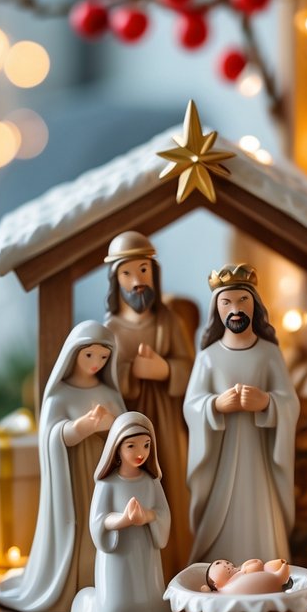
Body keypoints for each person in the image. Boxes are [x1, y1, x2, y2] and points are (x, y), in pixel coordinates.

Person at [0, 321, 124, 612]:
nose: (96, 363)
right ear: (74, 354)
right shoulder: (60, 395)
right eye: (88, 355)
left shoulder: (108, 392)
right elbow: (51, 435)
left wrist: (110, 426)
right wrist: (80, 427)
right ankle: (69, 585)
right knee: (77, 526)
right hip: (72, 477)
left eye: (103, 357)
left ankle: (98, 584)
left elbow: (125, 430)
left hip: (102, 474)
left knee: (100, 524)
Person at [184, 264, 299, 565]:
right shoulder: (208, 357)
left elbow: (290, 402)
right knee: (219, 512)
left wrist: (267, 402)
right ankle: (218, 567)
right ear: (217, 309)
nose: (235, 310)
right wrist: (215, 405)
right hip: (221, 454)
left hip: (259, 453)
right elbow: (191, 404)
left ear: (254, 304)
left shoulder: (269, 353)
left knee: (261, 511)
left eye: (242, 300)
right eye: (227, 302)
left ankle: (267, 565)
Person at [103, 231, 194, 579]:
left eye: (143, 270)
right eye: (127, 273)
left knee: (171, 486)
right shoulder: (110, 329)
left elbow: (192, 368)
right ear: (116, 280)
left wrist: (165, 369)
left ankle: (176, 565)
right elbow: (104, 380)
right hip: (128, 424)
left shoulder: (168, 321)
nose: (137, 281)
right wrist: (130, 373)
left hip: (167, 422)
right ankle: (139, 574)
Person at [70, 411, 174, 612]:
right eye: (131, 446)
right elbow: (98, 520)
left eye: (146, 445)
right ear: (117, 447)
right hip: (118, 553)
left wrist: (146, 516)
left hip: (145, 551)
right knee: (118, 605)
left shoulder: (151, 482)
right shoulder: (107, 484)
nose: (140, 453)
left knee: (150, 597)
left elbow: (163, 513)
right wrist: (123, 520)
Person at [203, 557, 291, 595]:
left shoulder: (238, 573)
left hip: (268, 580)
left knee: (268, 566)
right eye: (218, 564)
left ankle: (280, 573)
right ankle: (280, 577)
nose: (225, 564)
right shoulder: (225, 589)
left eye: (227, 562)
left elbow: (257, 564)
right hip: (272, 582)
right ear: (215, 584)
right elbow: (207, 593)